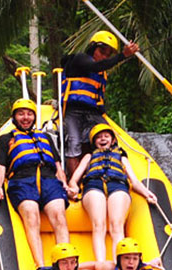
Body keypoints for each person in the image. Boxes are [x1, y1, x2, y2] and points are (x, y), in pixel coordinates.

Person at [0, 98, 71, 267]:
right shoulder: (5, 140)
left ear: (34, 117)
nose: (25, 117)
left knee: (59, 215)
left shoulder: (45, 138)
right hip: (22, 181)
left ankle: (65, 263)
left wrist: (64, 183)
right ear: (14, 117)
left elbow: (57, 165)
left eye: (29, 114)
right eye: (21, 114)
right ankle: (40, 266)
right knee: (31, 215)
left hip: (48, 180)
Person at [67, 123, 158, 261]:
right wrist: (73, 188)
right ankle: (101, 264)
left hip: (117, 185)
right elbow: (74, 180)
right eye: (98, 137)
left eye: (106, 136)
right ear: (94, 142)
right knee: (98, 224)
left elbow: (134, 181)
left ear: (113, 140)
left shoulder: (121, 156)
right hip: (94, 185)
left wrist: (147, 193)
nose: (102, 139)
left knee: (117, 225)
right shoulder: (89, 156)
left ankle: (118, 265)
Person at [60, 31, 139, 176]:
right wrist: (123, 55)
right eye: (102, 51)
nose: (104, 56)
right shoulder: (80, 59)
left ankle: (111, 173)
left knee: (110, 139)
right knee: (74, 142)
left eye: (108, 54)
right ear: (92, 48)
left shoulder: (102, 72)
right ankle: (75, 182)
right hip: (74, 110)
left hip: (93, 112)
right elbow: (96, 66)